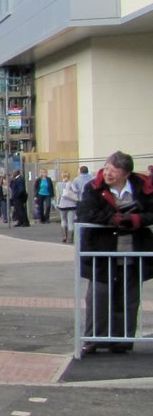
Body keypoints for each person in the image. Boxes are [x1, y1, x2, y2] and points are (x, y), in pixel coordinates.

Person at [76, 151, 153, 353]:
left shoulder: (143, 189)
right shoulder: (93, 188)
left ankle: (122, 340)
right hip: (101, 252)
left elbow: (150, 212)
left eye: (114, 170)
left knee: (128, 297)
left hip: (133, 253)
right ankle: (94, 339)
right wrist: (113, 219)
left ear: (126, 173)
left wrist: (136, 220)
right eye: (107, 167)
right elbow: (85, 212)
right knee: (98, 296)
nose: (108, 173)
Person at [58, 170, 82, 243]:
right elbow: (76, 191)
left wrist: (57, 203)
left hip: (62, 204)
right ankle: (70, 238)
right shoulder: (71, 183)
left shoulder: (58, 184)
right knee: (70, 222)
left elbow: (58, 195)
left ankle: (64, 236)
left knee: (63, 220)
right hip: (71, 204)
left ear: (62, 176)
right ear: (69, 176)